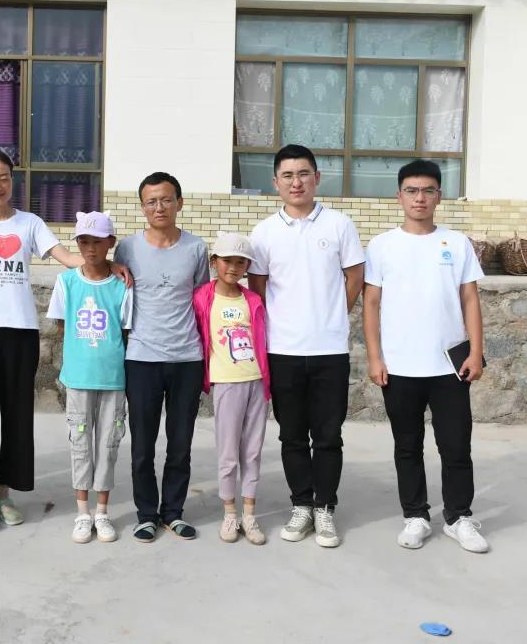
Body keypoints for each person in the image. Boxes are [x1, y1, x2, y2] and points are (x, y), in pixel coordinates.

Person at [0, 151, 130, 534]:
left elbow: (65, 256)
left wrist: (105, 264)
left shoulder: (29, 223)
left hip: (21, 331)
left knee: (17, 416)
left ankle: (5, 494)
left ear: (12, 180)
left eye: (3, 178)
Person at [362, 159, 489, 554]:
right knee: (407, 446)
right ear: (399, 196)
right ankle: (415, 515)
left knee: (456, 446)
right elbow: (371, 304)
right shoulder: (381, 245)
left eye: (428, 190)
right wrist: (375, 357)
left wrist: (477, 352)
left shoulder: (457, 243)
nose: (420, 198)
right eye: (412, 191)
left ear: (439, 196)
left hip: (449, 366)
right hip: (399, 366)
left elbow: (470, 299)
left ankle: (458, 517)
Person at [248, 144, 364, 548]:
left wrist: (333, 316)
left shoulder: (339, 224)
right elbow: (258, 290)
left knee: (328, 435)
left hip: (330, 349)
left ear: (317, 177)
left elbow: (355, 277)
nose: (296, 182)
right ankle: (301, 504)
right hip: (283, 350)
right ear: (275, 182)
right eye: (287, 175)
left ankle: (325, 507)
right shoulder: (264, 233)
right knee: (292, 435)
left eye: (303, 174)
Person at [115, 172, 210, 543]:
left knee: (180, 444)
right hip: (142, 358)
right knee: (142, 446)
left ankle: (173, 512)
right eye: (151, 201)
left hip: (187, 358)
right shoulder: (127, 248)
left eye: (166, 199)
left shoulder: (196, 248)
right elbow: (115, 287)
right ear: (142, 207)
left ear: (179, 203)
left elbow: (202, 300)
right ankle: (146, 514)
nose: (159, 207)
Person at [45, 211, 133, 544]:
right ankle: (83, 512)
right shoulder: (66, 282)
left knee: (108, 443)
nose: (90, 248)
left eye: (98, 241)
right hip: (79, 377)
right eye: (84, 241)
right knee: (80, 443)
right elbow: (62, 325)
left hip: (113, 378)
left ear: (111, 243)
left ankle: (102, 511)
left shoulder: (122, 285)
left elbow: (125, 330)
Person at [192, 232, 271, 545]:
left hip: (256, 381)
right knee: (228, 453)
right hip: (226, 382)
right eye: (227, 261)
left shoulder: (253, 299)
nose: (234, 267)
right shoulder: (202, 297)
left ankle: (249, 515)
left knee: (252, 451)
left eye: (241, 262)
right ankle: (229, 513)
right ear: (214, 262)